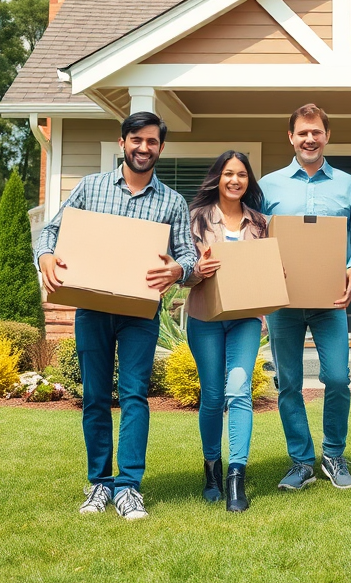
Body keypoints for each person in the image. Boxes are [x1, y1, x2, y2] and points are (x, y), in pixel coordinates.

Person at [36, 111, 197, 520]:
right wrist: (47, 257)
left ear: (161, 148)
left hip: (140, 314)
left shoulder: (172, 201)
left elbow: (189, 258)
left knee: (134, 396)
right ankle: (98, 484)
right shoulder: (90, 188)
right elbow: (51, 231)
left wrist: (178, 270)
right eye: (136, 140)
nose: (144, 148)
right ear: (123, 142)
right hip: (92, 308)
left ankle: (128, 487)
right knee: (93, 397)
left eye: (152, 142)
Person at [258, 104, 351, 491]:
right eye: (303, 132)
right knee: (288, 382)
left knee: (337, 378)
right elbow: (255, 238)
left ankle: (334, 454)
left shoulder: (348, 184)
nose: (310, 138)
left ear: (327, 136)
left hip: (330, 301)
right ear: (291, 137)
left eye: (316, 132)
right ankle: (301, 461)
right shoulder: (268, 186)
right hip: (282, 303)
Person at [183, 151, 268, 513]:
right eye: (229, 174)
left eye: (242, 175)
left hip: (246, 317)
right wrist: (197, 270)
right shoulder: (195, 218)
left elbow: (268, 268)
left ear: (249, 181)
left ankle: (236, 477)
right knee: (213, 396)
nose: (235, 180)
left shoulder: (261, 223)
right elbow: (181, 271)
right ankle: (211, 468)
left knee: (239, 390)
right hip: (205, 315)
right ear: (217, 177)